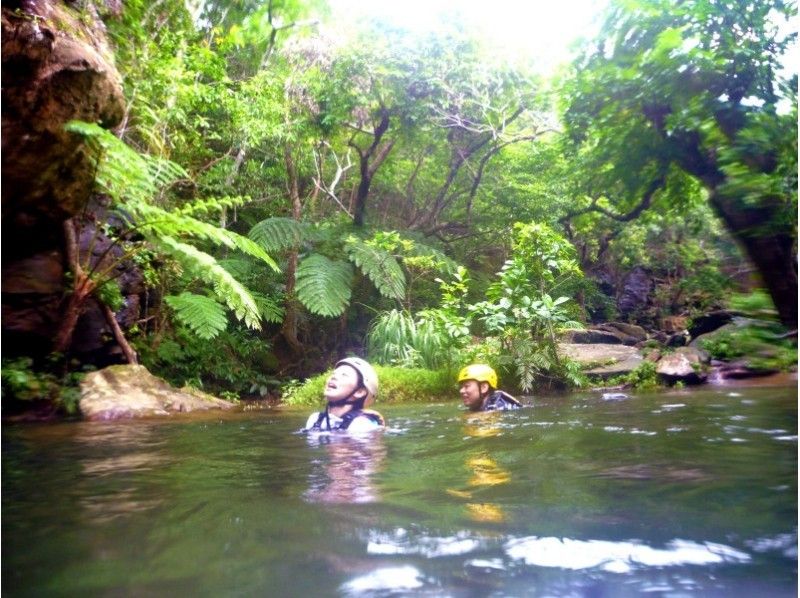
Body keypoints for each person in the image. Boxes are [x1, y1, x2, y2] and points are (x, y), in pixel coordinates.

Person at [303, 357, 386, 433]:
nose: (334, 377)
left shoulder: (361, 425)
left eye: (344, 375)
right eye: (333, 374)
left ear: (359, 392)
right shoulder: (315, 419)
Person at [457, 363, 522, 412]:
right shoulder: (478, 405)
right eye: (461, 387)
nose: (461, 391)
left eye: (466, 386)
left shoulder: (499, 406)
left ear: (483, 388)